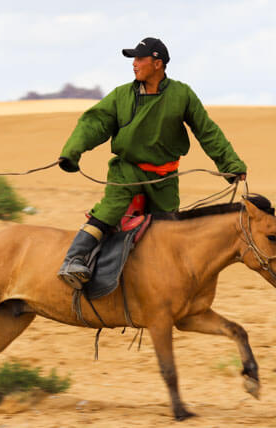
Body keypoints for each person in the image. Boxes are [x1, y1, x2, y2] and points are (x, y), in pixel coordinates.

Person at [56, 37, 247, 289]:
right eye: (133, 59)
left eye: (139, 59)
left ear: (158, 63)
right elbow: (95, 123)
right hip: (127, 171)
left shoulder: (182, 95)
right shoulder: (121, 96)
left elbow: (207, 131)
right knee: (110, 210)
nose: (134, 64)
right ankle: (73, 259)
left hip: (165, 177)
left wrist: (230, 165)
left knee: (169, 227)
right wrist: (72, 152)